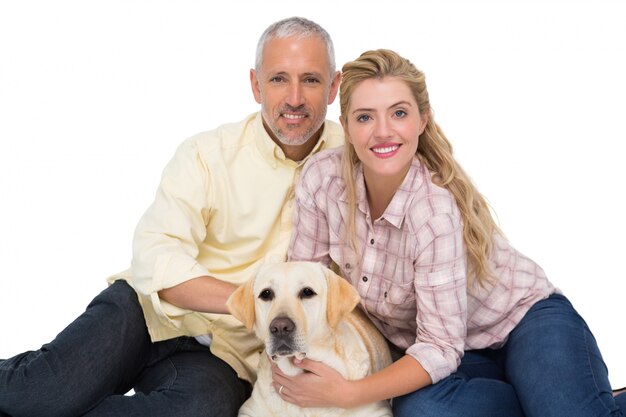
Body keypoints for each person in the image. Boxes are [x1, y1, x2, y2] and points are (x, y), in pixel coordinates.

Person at [0, 16, 343, 417]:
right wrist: (249, 302)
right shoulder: (207, 154)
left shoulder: (353, 162)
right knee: (39, 395)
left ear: (335, 86)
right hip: (144, 315)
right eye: (279, 79)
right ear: (255, 85)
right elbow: (156, 255)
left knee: (202, 409)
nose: (295, 98)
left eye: (312, 80)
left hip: (225, 354)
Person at [275, 48, 626, 417]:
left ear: (422, 120)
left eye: (399, 113)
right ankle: (543, 400)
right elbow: (300, 282)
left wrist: (350, 393)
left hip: (526, 321)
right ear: (345, 126)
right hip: (457, 354)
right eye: (365, 117)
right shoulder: (322, 180)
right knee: (421, 411)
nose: (383, 131)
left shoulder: (432, 210)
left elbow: (439, 347)